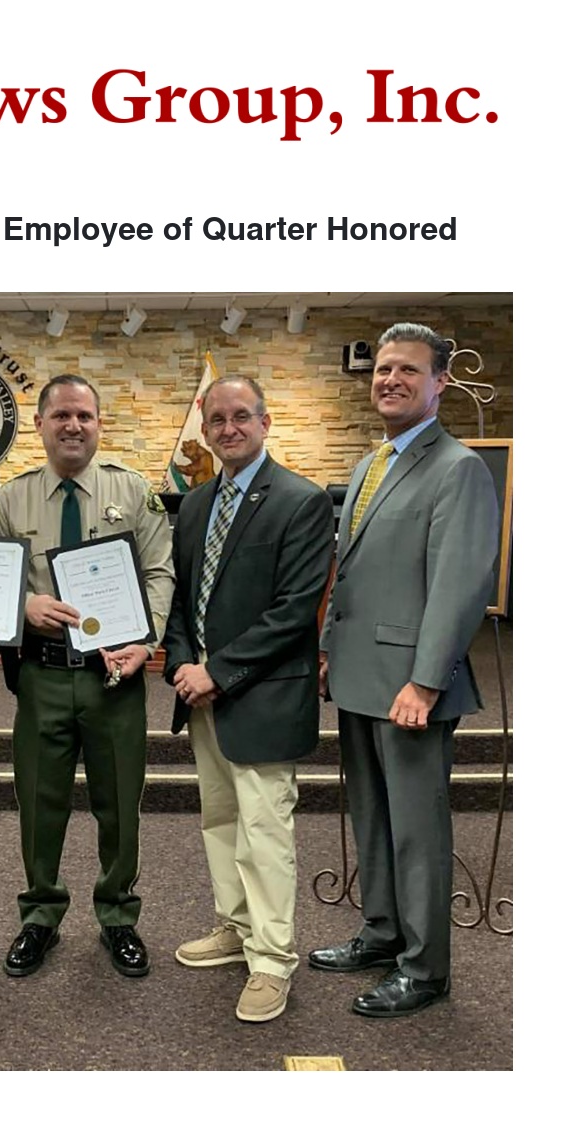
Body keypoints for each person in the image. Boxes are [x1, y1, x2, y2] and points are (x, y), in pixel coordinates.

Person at [308, 323, 499, 1018]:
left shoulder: (458, 467)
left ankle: (424, 969)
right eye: (383, 368)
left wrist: (426, 680)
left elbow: (459, 585)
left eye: (408, 370)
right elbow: (351, 572)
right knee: (372, 817)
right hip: (360, 674)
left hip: (411, 687)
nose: (389, 378)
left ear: (440, 381)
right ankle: (383, 932)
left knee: (417, 830)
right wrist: (328, 646)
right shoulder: (372, 463)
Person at [0, 374, 174, 979]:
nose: (73, 426)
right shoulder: (12, 499)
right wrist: (23, 605)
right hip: (42, 675)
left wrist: (146, 641)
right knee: (40, 802)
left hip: (113, 676)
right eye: (61, 415)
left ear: (98, 424)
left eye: (84, 416)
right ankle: (40, 913)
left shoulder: (133, 491)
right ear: (40, 424)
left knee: (120, 803)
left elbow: (160, 573)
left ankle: (118, 914)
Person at [161, 377, 334, 1023]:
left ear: (265, 422)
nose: (228, 428)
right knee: (220, 820)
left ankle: (272, 959)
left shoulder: (301, 500)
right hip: (203, 695)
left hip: (262, 695)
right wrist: (182, 663)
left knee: (264, 832)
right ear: (204, 429)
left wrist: (217, 671)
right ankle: (235, 928)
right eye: (217, 419)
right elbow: (183, 598)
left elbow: (294, 609)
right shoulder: (195, 503)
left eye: (241, 416)